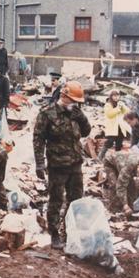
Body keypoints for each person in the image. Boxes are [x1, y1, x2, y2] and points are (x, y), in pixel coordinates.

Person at [33, 81, 91, 249]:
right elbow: (38, 139)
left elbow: (86, 132)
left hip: (75, 163)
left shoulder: (75, 112)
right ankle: (54, 233)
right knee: (56, 200)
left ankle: (70, 230)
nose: (75, 104)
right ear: (63, 96)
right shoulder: (47, 113)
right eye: (73, 100)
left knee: (76, 199)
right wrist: (39, 163)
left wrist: (82, 117)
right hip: (57, 165)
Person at [103, 149, 139, 217]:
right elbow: (121, 186)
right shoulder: (128, 167)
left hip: (122, 161)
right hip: (110, 162)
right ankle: (113, 210)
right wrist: (125, 205)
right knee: (115, 184)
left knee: (131, 185)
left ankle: (131, 208)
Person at [98, 90, 131, 160]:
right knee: (109, 142)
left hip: (120, 127)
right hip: (112, 128)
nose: (116, 97)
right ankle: (100, 157)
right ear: (111, 96)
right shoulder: (108, 104)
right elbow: (109, 114)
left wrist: (123, 106)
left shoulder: (120, 103)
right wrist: (118, 109)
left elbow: (128, 112)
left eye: (117, 95)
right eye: (114, 96)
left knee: (119, 143)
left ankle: (117, 160)